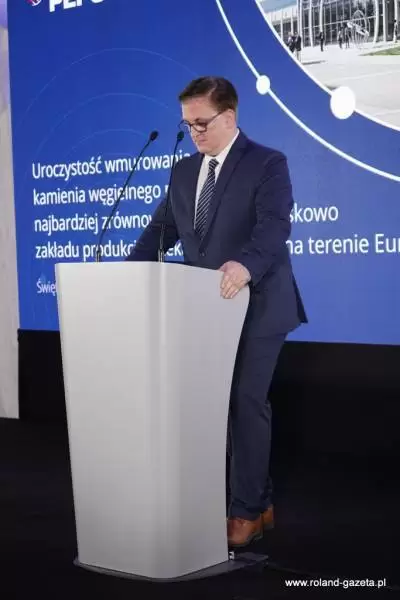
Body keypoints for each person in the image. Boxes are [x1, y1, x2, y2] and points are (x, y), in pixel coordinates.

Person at [126, 77, 307, 547]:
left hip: (259, 303)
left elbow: (274, 226)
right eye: (187, 125)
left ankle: (244, 511)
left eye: (201, 123)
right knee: (219, 406)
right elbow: (161, 231)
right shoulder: (184, 171)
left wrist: (245, 265)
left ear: (229, 117)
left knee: (245, 401)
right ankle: (260, 501)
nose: (194, 133)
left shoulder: (267, 162)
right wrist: (125, 274)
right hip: (206, 310)